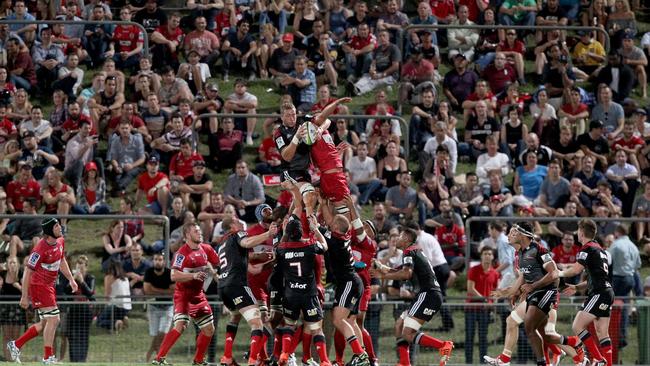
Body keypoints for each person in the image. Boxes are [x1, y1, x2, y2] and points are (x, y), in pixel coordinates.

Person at [370, 227, 454, 366]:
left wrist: (383, 275)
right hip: (429, 295)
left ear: (407, 240)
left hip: (428, 295)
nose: (396, 239)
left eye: (400, 236)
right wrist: (381, 267)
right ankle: (404, 362)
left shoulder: (409, 251)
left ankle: (443, 345)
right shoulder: (413, 252)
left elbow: (406, 274)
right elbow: (399, 271)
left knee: (408, 333)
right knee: (399, 325)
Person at [7, 218, 77, 365]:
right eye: (57, 226)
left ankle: (16, 345)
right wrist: (24, 296)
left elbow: (62, 259)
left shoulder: (60, 241)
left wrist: (71, 279)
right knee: (54, 319)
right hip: (39, 286)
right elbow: (27, 271)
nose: (60, 228)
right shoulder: (39, 249)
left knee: (45, 324)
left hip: (49, 286)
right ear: (49, 231)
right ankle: (47, 357)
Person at [151, 223, 219, 365]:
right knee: (181, 325)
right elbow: (174, 276)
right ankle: (159, 359)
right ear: (187, 235)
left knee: (209, 329)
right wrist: (193, 276)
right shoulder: (181, 253)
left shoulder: (206, 249)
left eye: (200, 231)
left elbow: (219, 261)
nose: (199, 233)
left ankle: (198, 361)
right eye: (196, 231)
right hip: (184, 295)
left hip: (199, 296)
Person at [217, 217, 278, 366]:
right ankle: (253, 361)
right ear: (232, 226)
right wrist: (268, 234)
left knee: (235, 318)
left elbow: (247, 262)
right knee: (258, 323)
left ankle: (227, 357)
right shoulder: (237, 234)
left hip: (223, 287)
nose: (241, 223)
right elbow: (247, 242)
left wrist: (260, 258)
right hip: (237, 285)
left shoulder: (222, 245)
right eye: (237, 221)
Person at [276, 216, 331, 366]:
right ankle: (325, 361)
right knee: (316, 328)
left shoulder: (282, 249)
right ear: (301, 233)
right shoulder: (310, 247)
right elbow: (325, 246)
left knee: (289, 325)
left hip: (291, 294)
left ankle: (285, 354)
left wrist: (284, 232)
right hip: (309, 294)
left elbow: (279, 247)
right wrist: (315, 229)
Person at [559, 218, 615, 366]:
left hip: (599, 293)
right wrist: (577, 287)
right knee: (602, 332)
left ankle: (598, 359)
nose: (577, 233)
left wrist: (558, 274)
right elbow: (595, 278)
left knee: (577, 325)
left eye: (578, 230)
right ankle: (607, 364)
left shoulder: (587, 248)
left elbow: (576, 270)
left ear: (582, 232)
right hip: (607, 292)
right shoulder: (599, 249)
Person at [607, 224, 640, 349]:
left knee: (613, 307)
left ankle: (614, 337)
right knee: (624, 307)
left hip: (618, 278)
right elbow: (638, 264)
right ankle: (622, 337)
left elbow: (608, 261)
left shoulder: (616, 245)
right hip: (630, 278)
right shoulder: (634, 246)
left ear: (617, 232)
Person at [465, 247, 500, 364]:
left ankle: (482, 362)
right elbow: (470, 289)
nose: (487, 256)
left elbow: (496, 291)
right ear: (481, 256)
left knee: (483, 338)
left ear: (493, 257)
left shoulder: (495, 273)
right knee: (469, 337)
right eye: (485, 254)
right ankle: (468, 362)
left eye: (489, 254)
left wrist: (493, 303)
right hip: (471, 309)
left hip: (485, 310)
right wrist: (484, 300)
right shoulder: (474, 269)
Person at [59, 255, 95, 362]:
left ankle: (82, 360)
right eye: (78, 266)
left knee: (83, 336)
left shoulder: (90, 278)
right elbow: (66, 291)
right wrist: (73, 279)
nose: (79, 269)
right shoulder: (71, 278)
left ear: (86, 267)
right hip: (73, 310)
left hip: (85, 311)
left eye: (82, 266)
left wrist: (82, 281)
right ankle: (73, 360)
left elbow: (90, 294)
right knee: (72, 335)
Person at [143, 252, 174, 362]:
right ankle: (159, 359)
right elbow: (147, 290)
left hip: (168, 307)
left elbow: (173, 291)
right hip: (153, 307)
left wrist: (155, 290)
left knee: (162, 333)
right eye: (156, 259)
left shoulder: (169, 273)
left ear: (164, 261)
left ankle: (149, 354)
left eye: (160, 259)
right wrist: (165, 291)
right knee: (155, 334)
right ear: (153, 261)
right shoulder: (149, 272)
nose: (158, 261)